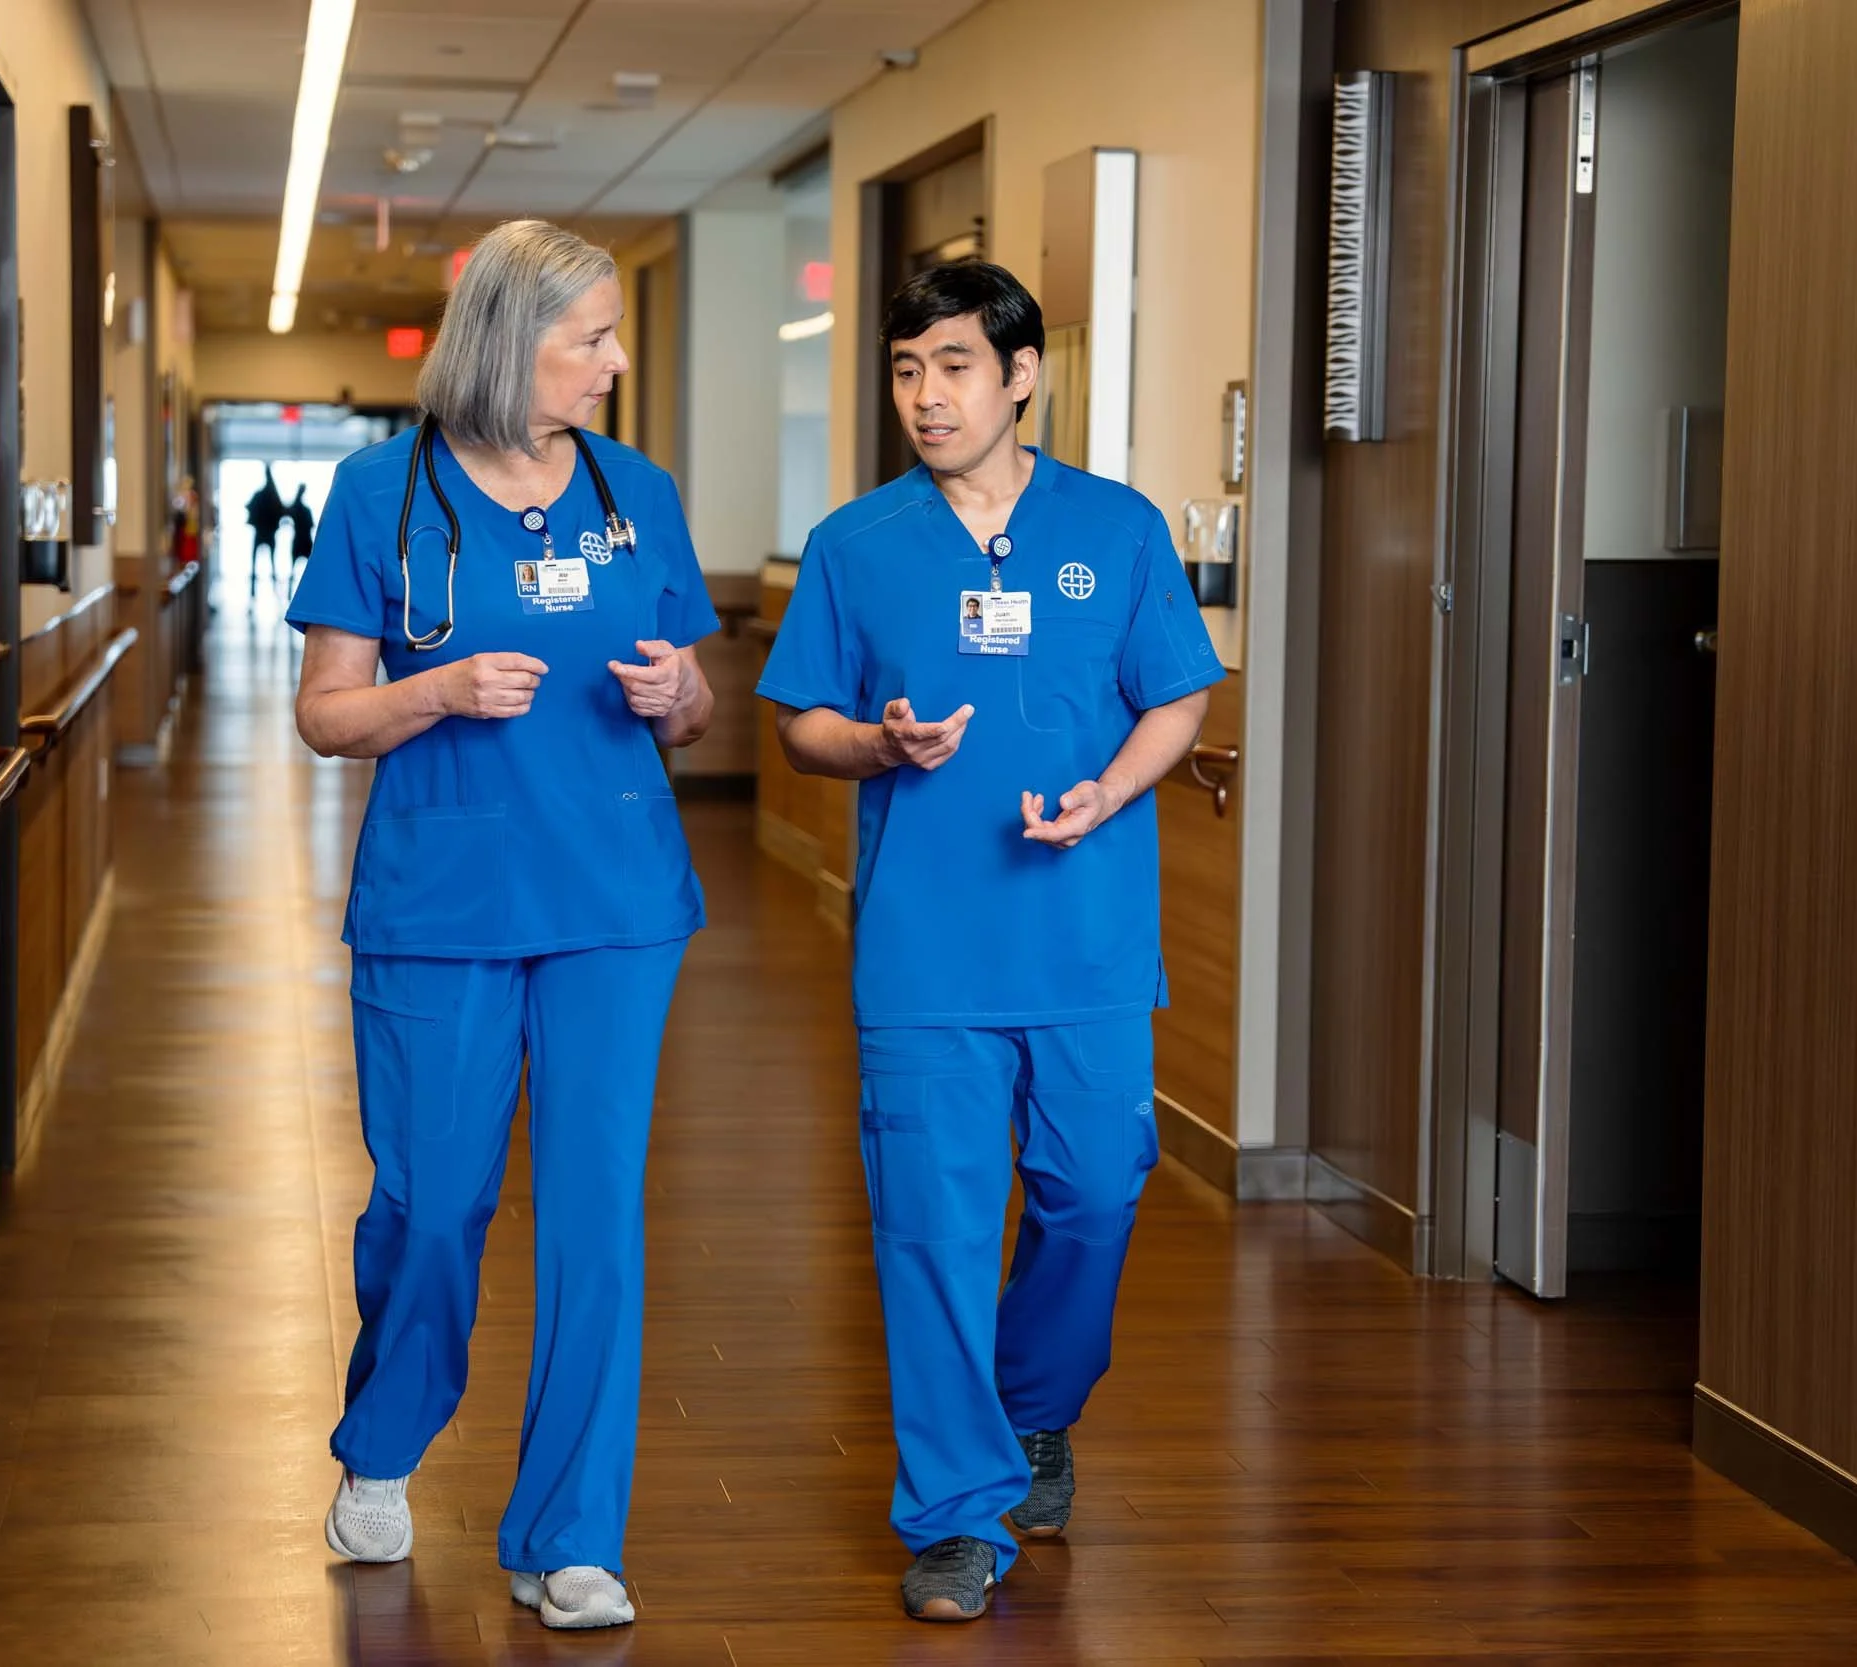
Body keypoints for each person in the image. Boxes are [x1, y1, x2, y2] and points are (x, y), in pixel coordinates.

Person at [757, 259, 1224, 1622]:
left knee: (1095, 1194)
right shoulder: (856, 543)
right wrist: (877, 742)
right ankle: (957, 1512)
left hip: (1084, 945)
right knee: (933, 1229)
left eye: (953, 366)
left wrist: (1109, 793)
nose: (926, 395)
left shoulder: (1117, 528)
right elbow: (801, 726)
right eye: (907, 369)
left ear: (1020, 375)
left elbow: (1178, 697)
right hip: (926, 956)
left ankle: (1032, 1407)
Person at [285, 218, 718, 1632]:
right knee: (431, 1200)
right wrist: (438, 690)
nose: (616, 358)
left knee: (597, 1215)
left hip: (614, 899)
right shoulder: (380, 491)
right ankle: (384, 1437)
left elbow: (695, 702)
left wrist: (677, 696)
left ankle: (570, 1534)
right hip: (441, 900)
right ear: (507, 341)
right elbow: (326, 712)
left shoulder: (635, 491)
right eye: (591, 336)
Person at [245, 465, 286, 596]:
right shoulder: (273, 495)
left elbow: (249, 506)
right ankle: (266, 589)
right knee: (269, 560)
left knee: (259, 560)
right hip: (267, 531)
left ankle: (256, 590)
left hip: (263, 531)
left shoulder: (263, 495)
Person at [286, 484, 317, 586]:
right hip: (304, 541)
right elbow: (311, 525)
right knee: (310, 568)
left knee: (295, 568)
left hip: (301, 541)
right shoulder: (304, 510)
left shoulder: (297, 509)